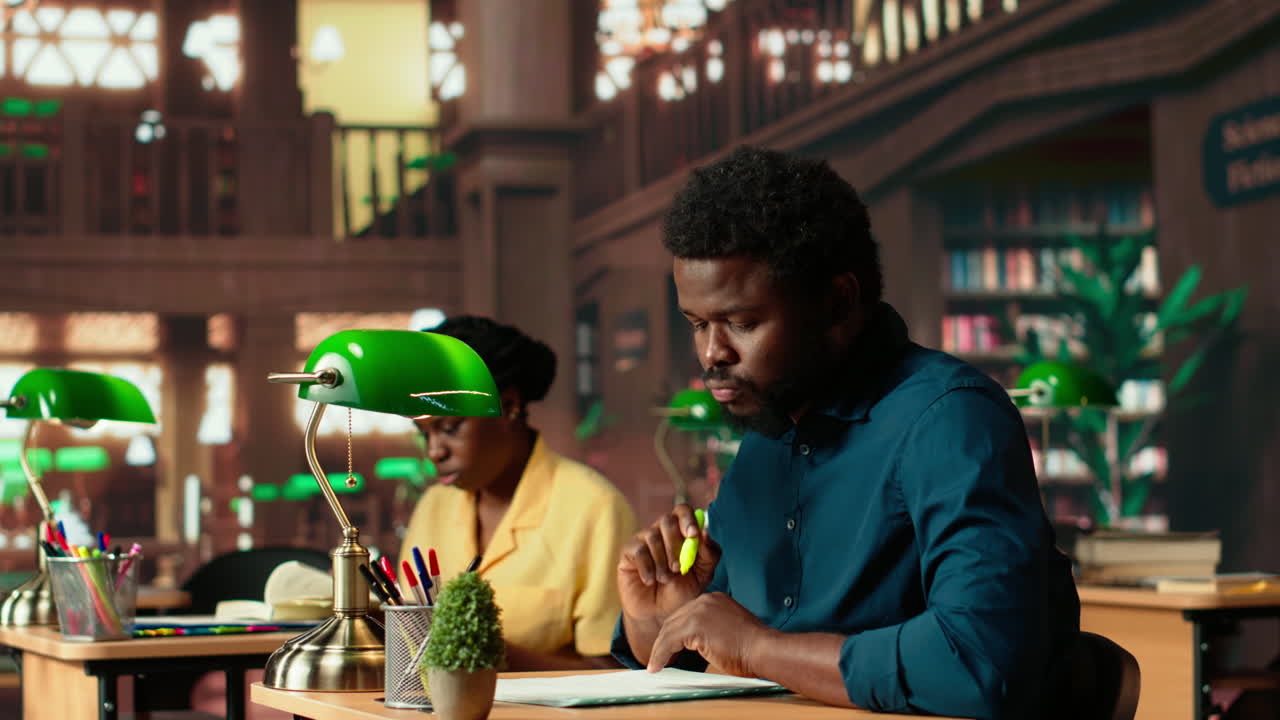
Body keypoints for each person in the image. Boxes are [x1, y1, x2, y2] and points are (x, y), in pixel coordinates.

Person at [612, 146, 1080, 719]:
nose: (712, 354)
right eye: (697, 324)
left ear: (838, 303)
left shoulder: (950, 419)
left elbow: (982, 662)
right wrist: (659, 618)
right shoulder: (765, 436)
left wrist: (761, 647)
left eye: (742, 322)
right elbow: (717, 665)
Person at [401, 315, 637, 671]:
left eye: (449, 428)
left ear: (508, 405)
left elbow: (615, 672)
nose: (434, 451)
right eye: (425, 434)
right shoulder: (433, 506)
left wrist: (483, 651)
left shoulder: (594, 508)